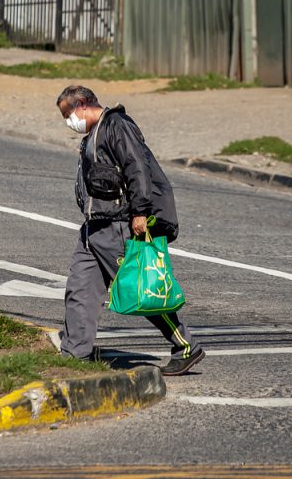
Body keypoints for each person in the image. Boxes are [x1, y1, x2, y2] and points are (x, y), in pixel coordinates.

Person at [56, 85, 205, 376]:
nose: (68, 122)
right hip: (93, 228)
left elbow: (137, 167)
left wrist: (140, 211)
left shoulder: (116, 125)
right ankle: (74, 353)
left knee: (140, 289)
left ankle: (186, 345)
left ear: (83, 104)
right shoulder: (94, 134)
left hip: (119, 224)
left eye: (67, 114)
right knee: (80, 290)